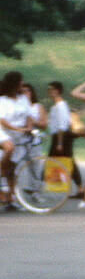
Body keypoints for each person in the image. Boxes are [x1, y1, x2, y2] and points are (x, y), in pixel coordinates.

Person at [0, 71, 33, 207]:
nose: (22, 84)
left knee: (12, 166)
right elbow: (2, 120)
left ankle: (11, 197)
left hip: (19, 135)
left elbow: (29, 115)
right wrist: (17, 129)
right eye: (20, 81)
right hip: (4, 131)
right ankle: (1, 176)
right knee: (9, 148)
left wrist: (29, 127)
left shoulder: (23, 99)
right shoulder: (3, 100)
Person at [47, 81, 84, 198]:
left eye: (51, 89)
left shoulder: (60, 106)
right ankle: (79, 188)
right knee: (64, 161)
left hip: (62, 137)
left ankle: (38, 186)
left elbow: (62, 125)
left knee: (65, 161)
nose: (49, 92)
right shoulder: (56, 106)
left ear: (57, 91)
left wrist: (59, 143)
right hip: (59, 137)